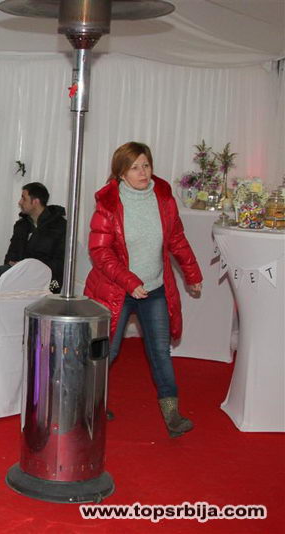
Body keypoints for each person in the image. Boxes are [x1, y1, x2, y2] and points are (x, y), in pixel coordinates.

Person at [84, 141, 202, 438]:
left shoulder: (163, 198)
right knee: (107, 350)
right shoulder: (108, 204)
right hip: (117, 290)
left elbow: (176, 239)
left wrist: (192, 273)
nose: (142, 172)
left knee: (160, 351)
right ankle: (88, 406)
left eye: (146, 165)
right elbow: (100, 252)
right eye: (134, 167)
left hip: (155, 289)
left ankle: (172, 415)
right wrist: (130, 282)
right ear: (121, 173)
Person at [0, 182, 66, 292]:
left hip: (48, 282)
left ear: (35, 202)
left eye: (23, 198)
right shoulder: (21, 225)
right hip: (19, 278)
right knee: (2, 271)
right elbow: (10, 256)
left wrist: (28, 267)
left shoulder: (60, 226)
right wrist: (13, 264)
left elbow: (60, 263)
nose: (20, 202)